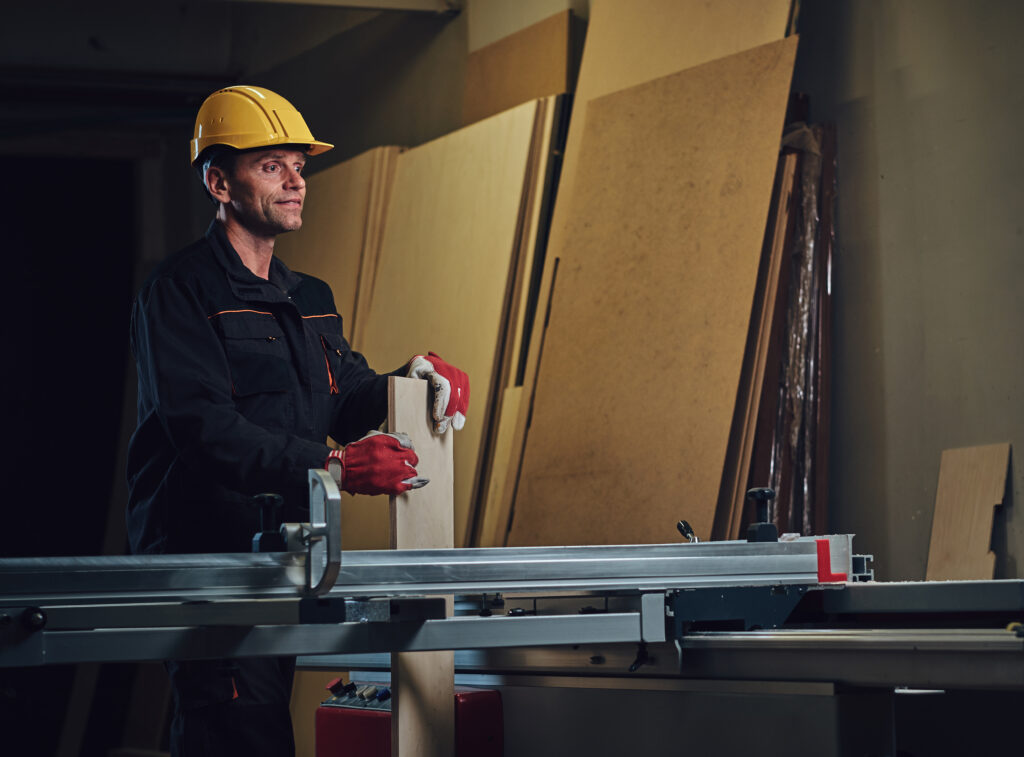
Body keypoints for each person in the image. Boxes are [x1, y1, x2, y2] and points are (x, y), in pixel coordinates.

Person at [125, 85, 469, 756]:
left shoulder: (308, 296)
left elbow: (344, 397)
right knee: (239, 733)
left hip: (287, 558)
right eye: (271, 166)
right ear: (219, 181)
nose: (295, 181)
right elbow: (202, 429)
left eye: (299, 166)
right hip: (209, 566)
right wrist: (333, 465)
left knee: (248, 729)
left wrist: (411, 374)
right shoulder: (179, 291)